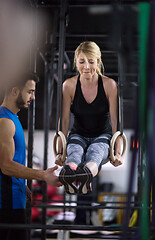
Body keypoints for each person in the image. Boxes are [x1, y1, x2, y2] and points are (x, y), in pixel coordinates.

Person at [0, 72, 62, 240]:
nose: (33, 97)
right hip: (6, 204)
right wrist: (42, 175)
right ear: (14, 91)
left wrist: (22, 184)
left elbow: (12, 161)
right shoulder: (5, 122)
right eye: (30, 91)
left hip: (15, 198)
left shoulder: (13, 118)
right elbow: (5, 165)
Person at [55, 41, 122, 195]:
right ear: (76, 62)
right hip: (78, 134)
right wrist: (59, 151)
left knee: (95, 151)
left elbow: (115, 120)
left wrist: (117, 152)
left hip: (102, 136)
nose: (86, 66)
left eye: (91, 62)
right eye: (81, 61)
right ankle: (69, 174)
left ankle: (86, 175)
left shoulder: (109, 85)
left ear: (98, 62)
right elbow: (64, 120)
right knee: (74, 151)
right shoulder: (69, 86)